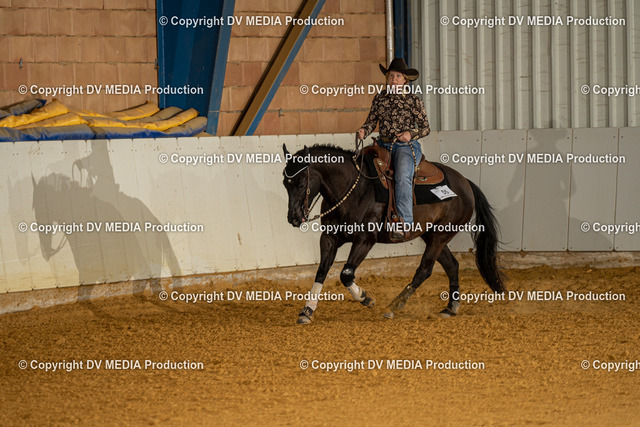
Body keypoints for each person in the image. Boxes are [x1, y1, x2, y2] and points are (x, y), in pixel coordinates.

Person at [357, 58, 430, 241]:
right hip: (383, 145)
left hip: (405, 146)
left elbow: (425, 128)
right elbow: (371, 121)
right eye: (391, 76)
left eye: (398, 76)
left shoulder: (413, 101)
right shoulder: (380, 98)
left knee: (402, 177)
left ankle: (404, 223)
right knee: (361, 167)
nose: (394, 79)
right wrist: (364, 130)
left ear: (405, 79)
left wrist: (410, 134)